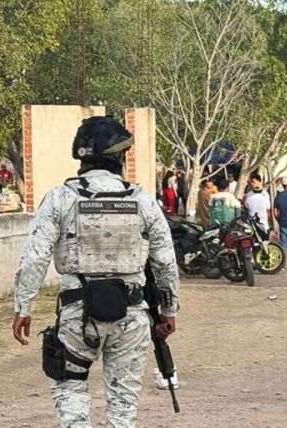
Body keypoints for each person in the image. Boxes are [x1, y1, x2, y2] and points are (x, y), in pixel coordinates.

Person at [10, 116, 180, 427]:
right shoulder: (143, 201)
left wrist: (24, 307)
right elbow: (165, 262)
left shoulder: (60, 198)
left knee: (70, 388)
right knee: (123, 404)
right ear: (119, 157)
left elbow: (34, 257)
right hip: (132, 315)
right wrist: (168, 311)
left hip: (78, 314)